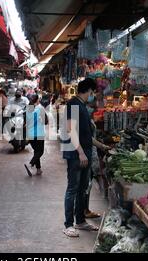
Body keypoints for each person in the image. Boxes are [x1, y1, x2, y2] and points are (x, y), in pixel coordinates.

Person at [62, 78, 99, 238]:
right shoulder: (73, 104)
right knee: (73, 188)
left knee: (82, 189)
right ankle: (68, 224)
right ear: (89, 90)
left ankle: (80, 221)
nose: (94, 96)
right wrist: (81, 152)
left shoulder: (82, 106)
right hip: (76, 154)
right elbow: (71, 130)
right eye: (93, 92)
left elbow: (85, 133)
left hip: (85, 153)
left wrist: (100, 146)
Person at [84, 99, 111, 218]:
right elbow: (89, 138)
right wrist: (102, 146)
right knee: (86, 184)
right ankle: (84, 210)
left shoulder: (87, 117)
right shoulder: (84, 118)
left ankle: (85, 209)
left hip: (91, 153)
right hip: (88, 153)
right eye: (93, 107)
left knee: (87, 184)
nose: (95, 109)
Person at [24, 94, 46, 177]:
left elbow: (25, 122)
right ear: (37, 100)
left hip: (30, 134)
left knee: (36, 151)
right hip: (39, 133)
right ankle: (30, 165)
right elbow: (46, 121)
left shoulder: (28, 109)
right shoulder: (40, 108)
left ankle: (39, 169)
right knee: (40, 151)